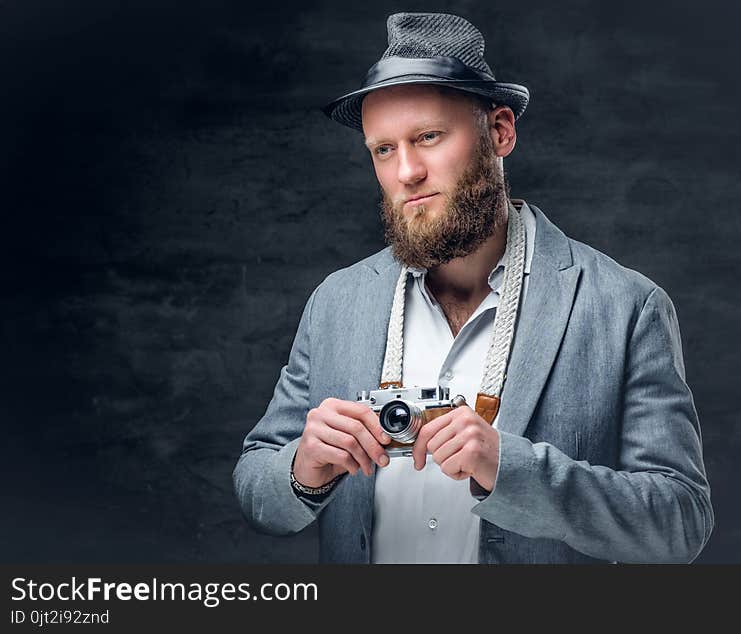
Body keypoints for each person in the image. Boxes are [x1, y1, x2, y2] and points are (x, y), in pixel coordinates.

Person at [233, 12, 713, 564]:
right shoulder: (337, 303)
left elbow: (679, 523)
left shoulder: (626, 307)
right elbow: (256, 490)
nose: (405, 171)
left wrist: (511, 470)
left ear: (501, 131)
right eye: (382, 149)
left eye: (428, 137)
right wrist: (302, 470)